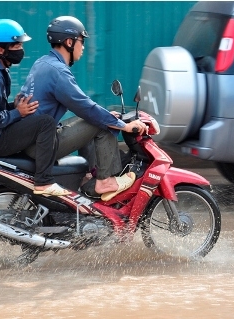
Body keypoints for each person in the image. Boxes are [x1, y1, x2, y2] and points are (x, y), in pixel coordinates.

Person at [20, 16, 147, 201]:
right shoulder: (58, 72)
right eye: (82, 41)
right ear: (69, 42)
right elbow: (85, 106)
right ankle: (106, 181)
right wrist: (123, 125)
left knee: (94, 120)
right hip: (41, 144)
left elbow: (85, 108)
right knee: (101, 124)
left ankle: (89, 176)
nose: (84, 46)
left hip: (34, 138)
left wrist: (105, 116)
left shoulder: (43, 63)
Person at [0, 19, 70, 196]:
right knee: (46, 123)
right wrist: (17, 113)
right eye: (17, 46)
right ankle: (43, 181)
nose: (21, 50)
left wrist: (14, 106)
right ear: (1, 50)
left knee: (35, 118)